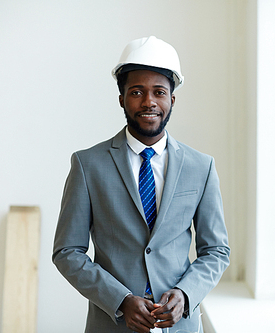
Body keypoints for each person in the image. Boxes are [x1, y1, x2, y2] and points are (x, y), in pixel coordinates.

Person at [53, 36, 230, 333]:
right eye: (137, 92)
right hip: (112, 324)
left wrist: (186, 295)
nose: (149, 102)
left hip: (181, 325)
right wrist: (119, 300)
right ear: (121, 98)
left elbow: (216, 250)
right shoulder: (88, 165)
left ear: (172, 99)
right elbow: (67, 251)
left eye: (159, 92)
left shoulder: (201, 167)